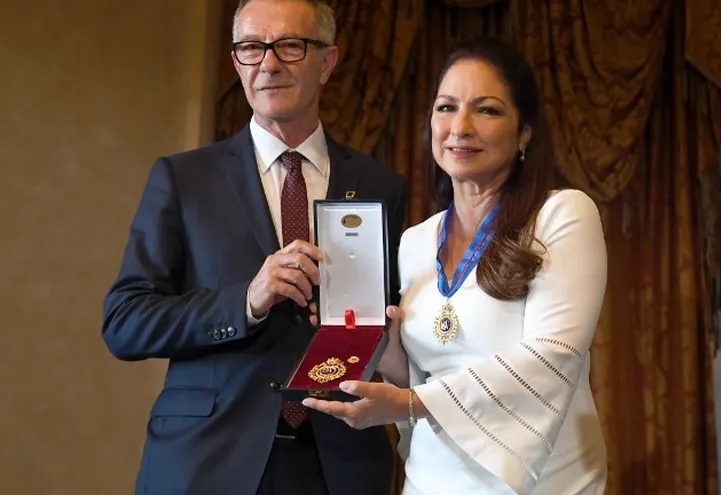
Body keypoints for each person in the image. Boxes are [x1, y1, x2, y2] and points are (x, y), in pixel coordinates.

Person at [101, 0, 407, 493]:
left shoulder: (380, 186)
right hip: (208, 459)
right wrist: (246, 301)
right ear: (236, 62)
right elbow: (125, 322)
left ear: (327, 62)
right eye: (251, 47)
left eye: (290, 45)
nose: (268, 63)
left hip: (339, 463)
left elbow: (393, 325)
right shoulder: (184, 179)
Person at [303, 36, 608, 494]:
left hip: (542, 482)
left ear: (524, 132)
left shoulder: (562, 214)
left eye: (487, 110)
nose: (460, 127)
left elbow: (552, 356)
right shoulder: (414, 242)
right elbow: (422, 378)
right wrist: (381, 346)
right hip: (429, 480)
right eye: (446, 107)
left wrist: (411, 402)